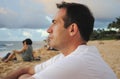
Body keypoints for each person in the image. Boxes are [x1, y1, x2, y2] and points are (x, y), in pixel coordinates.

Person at [1, 2, 117, 79]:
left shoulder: (78, 61)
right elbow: (26, 68)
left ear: (72, 29)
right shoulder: (67, 56)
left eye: (55, 23)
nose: (48, 30)